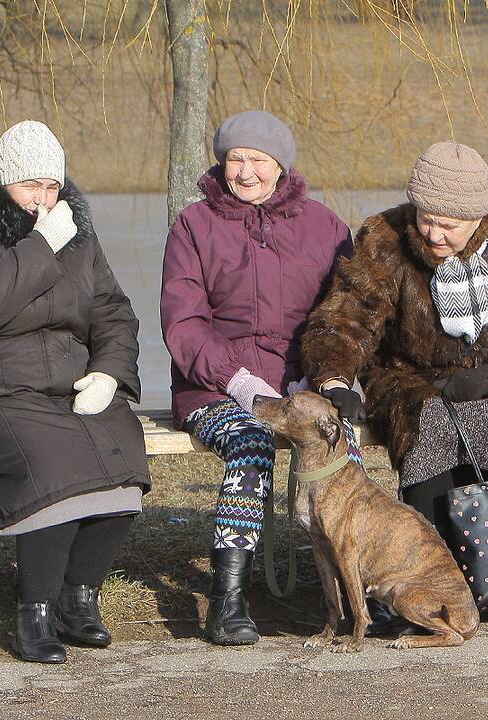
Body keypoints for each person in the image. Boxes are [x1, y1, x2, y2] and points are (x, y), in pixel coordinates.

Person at [302, 141, 488, 633]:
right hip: (415, 377)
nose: (433, 233)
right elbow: (344, 320)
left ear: (479, 215)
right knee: (428, 424)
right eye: (425, 218)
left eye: (449, 224)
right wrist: (336, 381)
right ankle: (424, 584)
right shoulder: (384, 238)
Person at [0, 120, 150, 663]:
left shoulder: (80, 236)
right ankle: (36, 611)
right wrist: (40, 246)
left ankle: (80, 597)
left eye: (52, 186)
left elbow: (113, 312)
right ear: (4, 182)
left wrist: (109, 373)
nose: (43, 199)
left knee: (125, 461)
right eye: (31, 186)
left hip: (66, 382)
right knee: (57, 471)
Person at [160, 110, 359, 646]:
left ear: (281, 165)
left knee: (346, 447)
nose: (245, 172)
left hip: (301, 385)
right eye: (235, 159)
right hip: (214, 386)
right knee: (250, 443)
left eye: (258, 160)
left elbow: (341, 316)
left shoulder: (325, 227)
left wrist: (330, 377)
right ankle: (229, 598)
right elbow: (183, 323)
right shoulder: (194, 226)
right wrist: (241, 382)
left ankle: (357, 592)